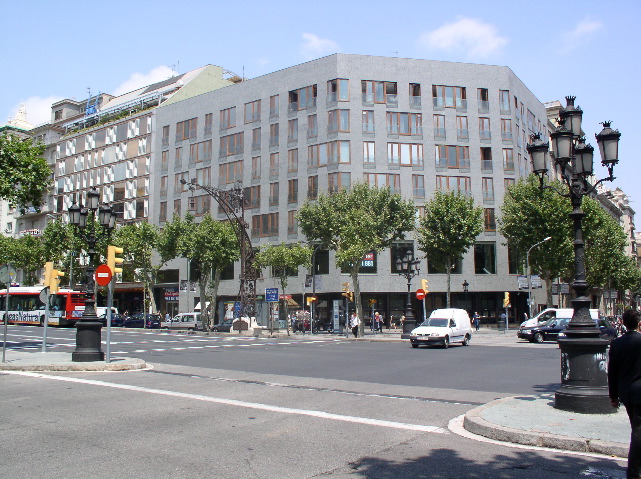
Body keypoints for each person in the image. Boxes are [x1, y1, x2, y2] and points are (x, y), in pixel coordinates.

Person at [608, 309, 641, 479]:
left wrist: (613, 396)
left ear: (623, 323)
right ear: (639, 323)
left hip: (627, 393)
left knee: (636, 428)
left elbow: (612, 372)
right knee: (638, 431)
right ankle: (634, 471)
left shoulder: (617, 343)